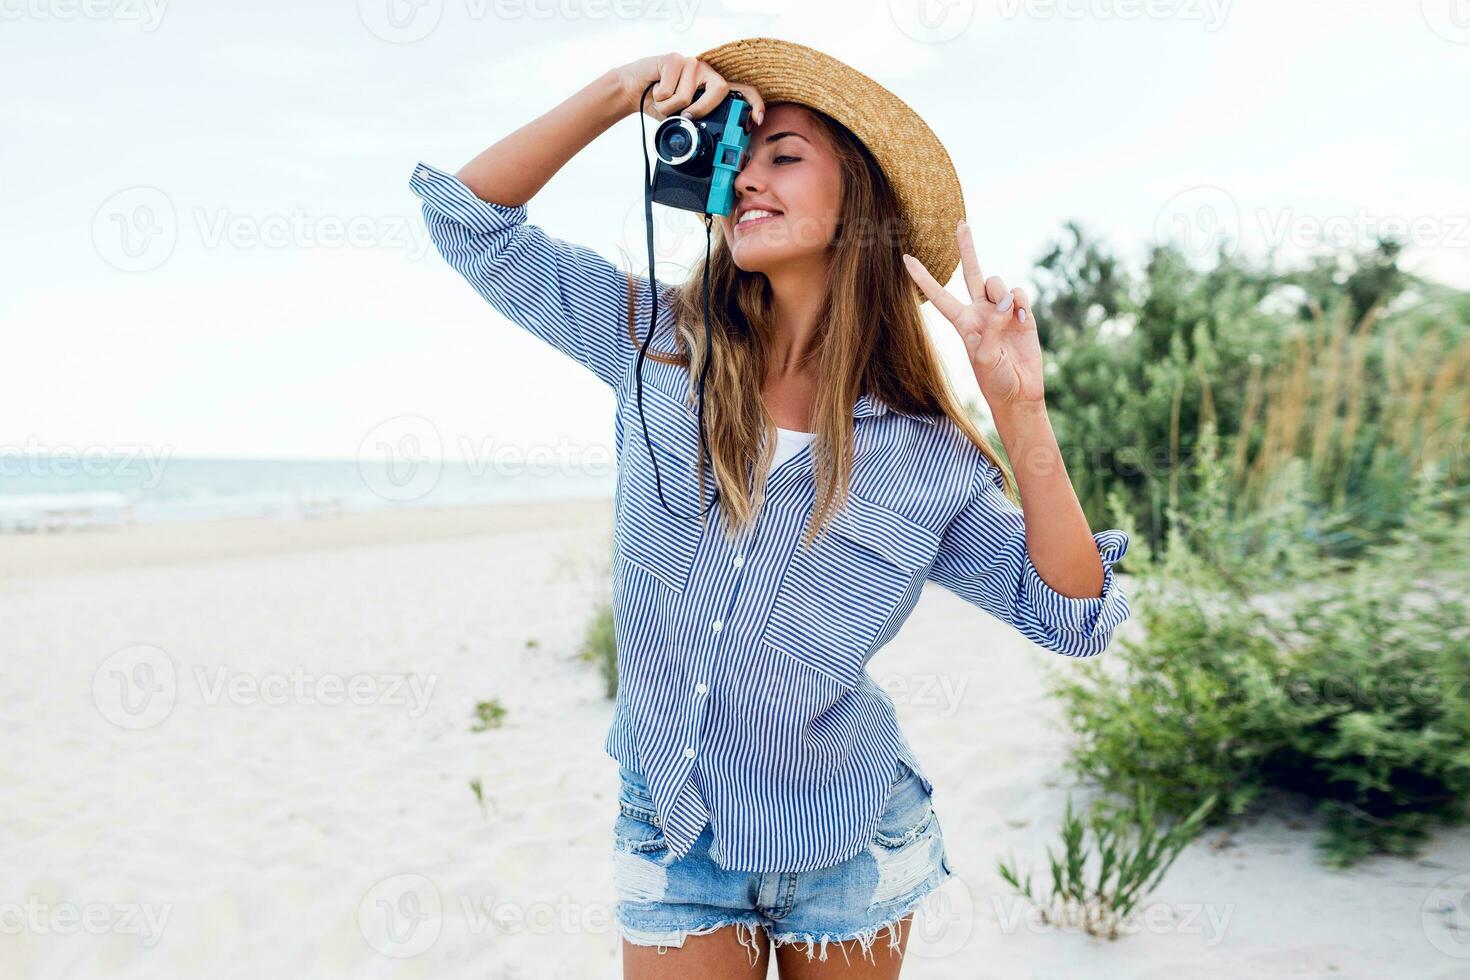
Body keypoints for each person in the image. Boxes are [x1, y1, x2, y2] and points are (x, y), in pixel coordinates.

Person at [409, 37, 1132, 980]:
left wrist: (1019, 410)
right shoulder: (651, 343)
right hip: (673, 831)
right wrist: (624, 91)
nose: (748, 177)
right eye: (739, 159)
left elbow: (1071, 616)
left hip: (850, 837)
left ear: (858, 203)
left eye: (784, 155)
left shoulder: (924, 449)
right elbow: (469, 222)